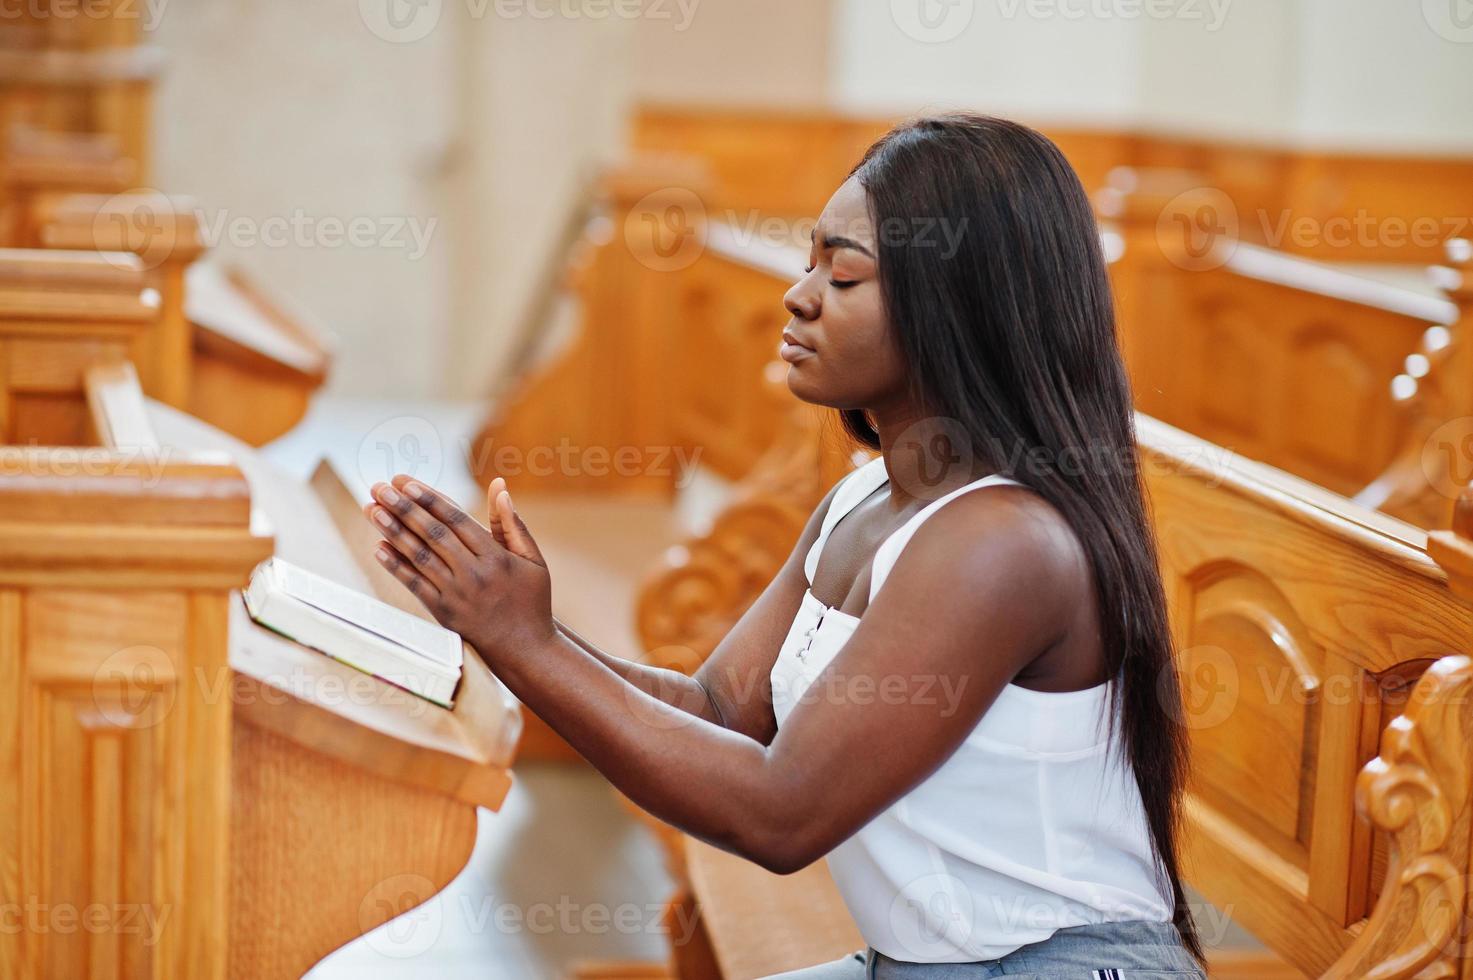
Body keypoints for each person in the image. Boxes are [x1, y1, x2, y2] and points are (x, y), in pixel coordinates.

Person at [362, 113, 1207, 978]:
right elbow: (717, 710)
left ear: (962, 307)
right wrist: (514, 614)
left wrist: (524, 640)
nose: (798, 295)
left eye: (842, 274)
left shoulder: (1002, 543)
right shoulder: (863, 499)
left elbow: (779, 815)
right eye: (810, 262)